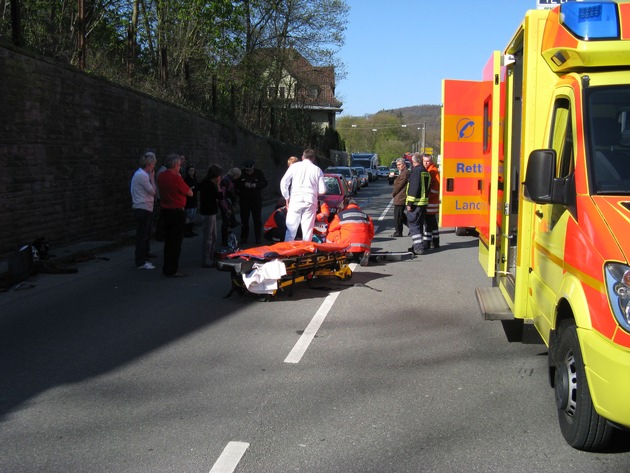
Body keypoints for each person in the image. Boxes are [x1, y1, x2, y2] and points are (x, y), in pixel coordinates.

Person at [157, 153, 193, 277]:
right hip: (176, 211)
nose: (180, 167)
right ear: (174, 165)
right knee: (176, 243)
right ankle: (172, 269)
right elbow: (189, 193)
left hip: (165, 211)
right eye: (178, 165)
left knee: (169, 241)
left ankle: (167, 267)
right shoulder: (176, 178)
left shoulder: (161, 176)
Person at [280, 149, 326, 242]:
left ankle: (287, 251)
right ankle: (305, 252)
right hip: (310, 201)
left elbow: (284, 182)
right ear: (313, 159)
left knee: (291, 229)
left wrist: (287, 197)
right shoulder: (317, 170)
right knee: (307, 230)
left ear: (302, 157)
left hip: (295, 200)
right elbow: (323, 190)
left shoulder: (294, 167)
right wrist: (314, 192)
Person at [326, 199, 374, 266]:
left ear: (346, 206)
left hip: (346, 244)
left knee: (331, 234)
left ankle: (340, 254)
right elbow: (371, 233)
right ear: (356, 206)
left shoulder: (340, 216)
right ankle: (363, 253)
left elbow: (331, 228)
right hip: (363, 245)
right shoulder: (366, 216)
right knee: (366, 235)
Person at [130, 151, 157, 269]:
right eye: (152, 165)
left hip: (144, 207)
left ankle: (144, 258)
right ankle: (140, 261)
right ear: (148, 165)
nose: (153, 168)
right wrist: (152, 178)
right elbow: (153, 191)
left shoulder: (139, 175)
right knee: (142, 236)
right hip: (142, 208)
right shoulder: (142, 176)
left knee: (144, 235)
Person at [405, 152, 431, 255]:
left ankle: (418, 247)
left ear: (414, 162)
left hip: (416, 203)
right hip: (423, 203)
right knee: (419, 225)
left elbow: (414, 188)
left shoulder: (416, 172)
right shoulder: (425, 172)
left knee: (414, 225)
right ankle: (419, 245)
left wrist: (410, 203)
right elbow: (428, 187)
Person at [236, 160, 268, 244]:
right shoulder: (241, 173)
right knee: (244, 220)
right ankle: (243, 238)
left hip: (256, 200)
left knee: (257, 220)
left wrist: (256, 185)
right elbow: (235, 184)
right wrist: (244, 185)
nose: (249, 172)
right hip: (244, 200)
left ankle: (258, 238)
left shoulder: (259, 172)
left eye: (251, 170)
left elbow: (265, 182)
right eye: (247, 170)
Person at [198, 164, 223, 268]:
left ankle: (210, 257)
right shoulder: (209, 184)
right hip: (208, 212)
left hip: (209, 211)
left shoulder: (206, 183)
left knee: (213, 236)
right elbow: (220, 196)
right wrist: (218, 185)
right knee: (209, 237)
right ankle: (207, 259)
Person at [423, 154, 441, 249]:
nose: (426, 163)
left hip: (431, 202)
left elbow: (436, 188)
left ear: (431, 161)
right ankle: (435, 242)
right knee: (433, 224)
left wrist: (427, 196)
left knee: (428, 224)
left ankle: (427, 242)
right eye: (424, 161)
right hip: (432, 202)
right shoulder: (430, 170)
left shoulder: (433, 171)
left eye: (427, 161)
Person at [391, 157, 409, 237]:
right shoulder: (402, 172)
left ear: (404, 165)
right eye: (397, 165)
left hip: (401, 196)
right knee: (400, 215)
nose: (398, 166)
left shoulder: (405, 173)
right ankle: (410, 228)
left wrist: (393, 193)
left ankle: (398, 231)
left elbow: (399, 186)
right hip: (400, 196)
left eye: (399, 164)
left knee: (398, 216)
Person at [184, 164, 199, 237]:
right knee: (188, 216)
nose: (192, 172)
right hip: (189, 200)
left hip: (194, 199)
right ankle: (186, 231)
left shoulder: (194, 178)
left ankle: (190, 230)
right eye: (190, 170)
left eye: (193, 170)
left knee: (192, 216)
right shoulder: (186, 179)